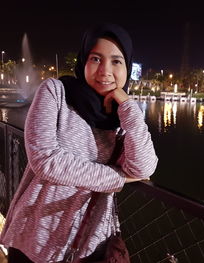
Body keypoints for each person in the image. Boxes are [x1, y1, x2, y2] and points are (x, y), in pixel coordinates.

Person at [0, 23, 158, 262]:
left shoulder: (121, 118)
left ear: (127, 68)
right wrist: (117, 178)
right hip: (34, 239)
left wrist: (129, 108)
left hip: (89, 244)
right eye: (96, 59)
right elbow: (45, 160)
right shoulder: (56, 92)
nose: (105, 70)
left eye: (116, 61)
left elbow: (144, 168)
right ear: (83, 60)